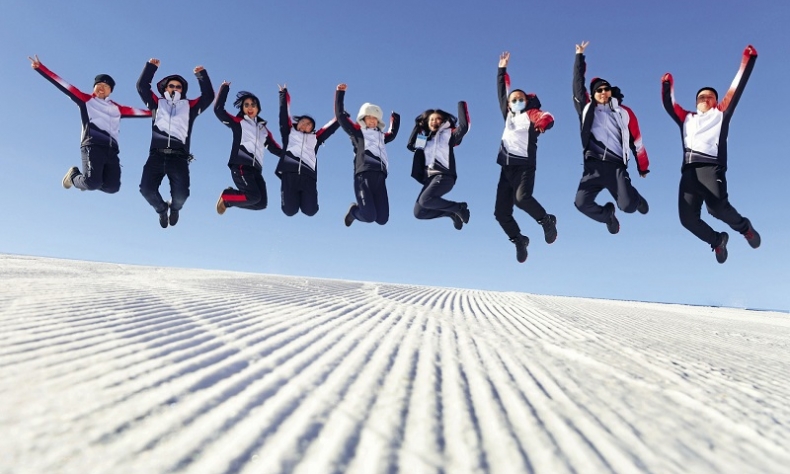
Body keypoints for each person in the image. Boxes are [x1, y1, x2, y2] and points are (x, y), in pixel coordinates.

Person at [661, 45, 760, 264]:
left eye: (710, 96)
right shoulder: (686, 118)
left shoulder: (721, 113)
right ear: (696, 102)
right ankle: (717, 241)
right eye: (701, 97)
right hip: (689, 173)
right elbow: (670, 104)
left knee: (716, 209)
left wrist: (749, 58)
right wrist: (667, 84)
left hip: (710, 168)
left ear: (716, 101)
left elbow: (737, 86)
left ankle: (745, 228)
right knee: (687, 219)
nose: (705, 98)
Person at [29, 55, 150, 193]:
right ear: (94, 87)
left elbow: (143, 112)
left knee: (112, 187)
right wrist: (41, 68)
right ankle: (74, 176)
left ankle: (85, 182)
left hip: (111, 151)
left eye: (106, 86)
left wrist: (159, 112)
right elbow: (64, 85)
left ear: (110, 91)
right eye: (99, 85)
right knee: (93, 182)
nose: (102, 88)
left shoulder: (117, 109)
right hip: (92, 146)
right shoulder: (86, 100)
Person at [572, 41, 650, 235]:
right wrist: (579, 57)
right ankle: (608, 215)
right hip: (593, 167)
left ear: (611, 91)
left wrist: (643, 166)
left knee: (628, 207)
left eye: (605, 89)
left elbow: (637, 141)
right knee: (581, 203)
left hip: (616, 167)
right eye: (598, 90)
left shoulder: (624, 112)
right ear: (593, 94)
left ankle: (636, 198)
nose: (602, 92)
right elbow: (578, 86)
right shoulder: (587, 109)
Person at [137, 58, 214, 228]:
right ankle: (161, 209)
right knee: (146, 190)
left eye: (178, 87)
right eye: (171, 86)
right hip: (156, 156)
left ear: (182, 90)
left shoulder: (190, 107)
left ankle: (175, 208)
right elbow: (142, 87)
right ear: (165, 88)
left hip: (179, 158)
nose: (174, 88)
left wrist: (201, 75)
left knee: (181, 196)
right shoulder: (157, 104)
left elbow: (208, 96)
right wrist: (151, 68)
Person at [495, 51, 557, 263]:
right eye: (513, 100)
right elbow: (502, 92)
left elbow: (546, 116)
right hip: (506, 167)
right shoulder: (509, 115)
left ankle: (546, 220)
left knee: (521, 198)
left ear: (526, 101)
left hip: (524, 164)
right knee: (501, 213)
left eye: (520, 99)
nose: (516, 101)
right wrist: (502, 69)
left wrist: (542, 124)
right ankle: (519, 240)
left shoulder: (530, 114)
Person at [334, 83, 400, 226]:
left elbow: (392, 134)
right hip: (363, 176)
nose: (372, 120)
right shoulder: (357, 133)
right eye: (368, 117)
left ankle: (362, 211)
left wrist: (396, 118)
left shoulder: (381, 136)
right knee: (369, 216)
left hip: (380, 178)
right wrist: (340, 93)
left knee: (382, 219)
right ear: (363, 119)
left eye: (375, 118)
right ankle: (353, 212)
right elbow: (340, 117)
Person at [214, 82, 282, 214]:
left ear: (258, 108)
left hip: (256, 170)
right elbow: (218, 110)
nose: (250, 108)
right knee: (253, 197)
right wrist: (224, 88)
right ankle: (227, 197)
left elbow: (274, 148)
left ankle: (230, 199)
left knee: (261, 203)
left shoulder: (263, 130)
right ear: (242, 108)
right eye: (246, 105)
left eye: (253, 105)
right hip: (241, 166)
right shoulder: (238, 123)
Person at [275, 84, 340, 216]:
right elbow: (284, 114)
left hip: (308, 177)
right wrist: (283, 94)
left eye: (308, 124)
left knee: (311, 211)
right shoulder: (289, 133)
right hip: (289, 176)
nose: (305, 125)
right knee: (289, 211)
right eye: (302, 122)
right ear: (297, 123)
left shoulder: (316, 138)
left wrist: (340, 95)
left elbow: (335, 123)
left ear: (312, 128)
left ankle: (307, 202)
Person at [405, 102, 470, 229]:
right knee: (419, 212)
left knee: (425, 200)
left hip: (444, 176)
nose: (434, 121)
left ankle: (459, 208)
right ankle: (451, 213)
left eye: (437, 119)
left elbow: (464, 127)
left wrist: (461, 105)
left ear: (443, 121)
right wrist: (418, 126)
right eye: (431, 119)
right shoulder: (425, 139)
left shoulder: (448, 134)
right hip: (430, 179)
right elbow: (411, 146)